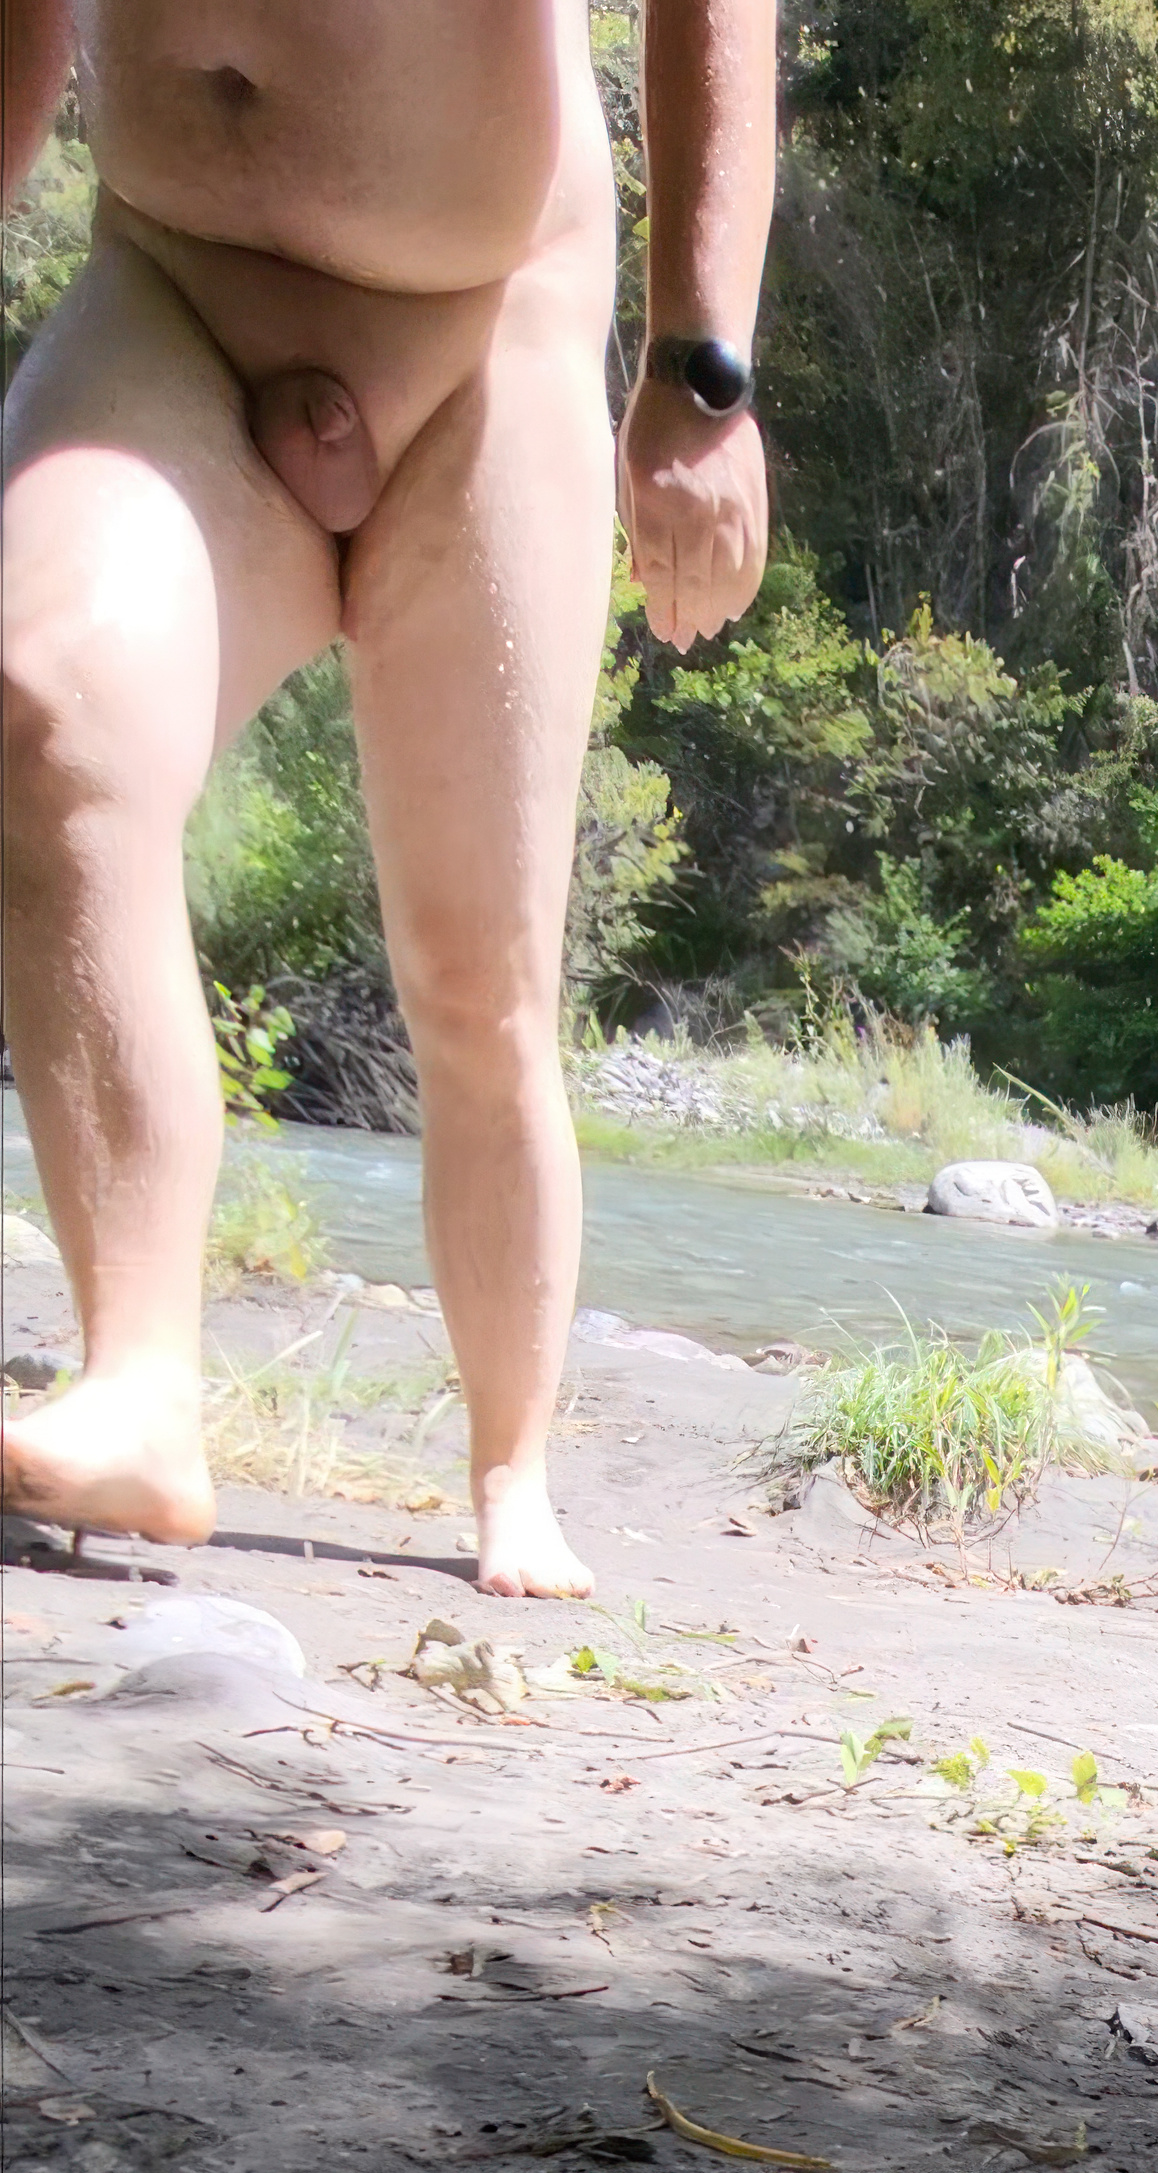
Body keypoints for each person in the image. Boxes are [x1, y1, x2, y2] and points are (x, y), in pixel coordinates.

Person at [1, 1, 773, 1595]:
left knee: (482, 986)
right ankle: (140, 1378)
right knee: (40, 705)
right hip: (172, 295)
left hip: (482, 329)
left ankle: (513, 1476)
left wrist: (700, 376)